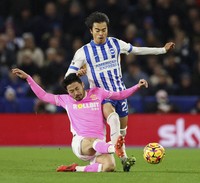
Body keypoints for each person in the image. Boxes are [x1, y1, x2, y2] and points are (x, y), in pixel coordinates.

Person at [64, 11, 175, 171]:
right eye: (97, 30)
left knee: (122, 132)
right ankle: (118, 153)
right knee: (113, 117)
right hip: (101, 96)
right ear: (91, 31)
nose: (101, 33)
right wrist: (77, 73)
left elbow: (137, 50)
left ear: (107, 29)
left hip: (120, 94)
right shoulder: (83, 52)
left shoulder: (116, 44)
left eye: (104, 30)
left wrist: (162, 50)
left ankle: (122, 159)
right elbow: (68, 77)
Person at [12, 68, 148, 172]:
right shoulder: (65, 100)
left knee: (109, 166)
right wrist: (28, 78)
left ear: (82, 85)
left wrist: (137, 86)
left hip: (99, 145)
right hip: (81, 143)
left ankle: (75, 169)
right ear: (67, 92)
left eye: (77, 88)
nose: (75, 93)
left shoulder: (97, 93)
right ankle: (115, 148)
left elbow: (119, 95)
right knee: (92, 141)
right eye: (71, 91)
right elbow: (43, 95)